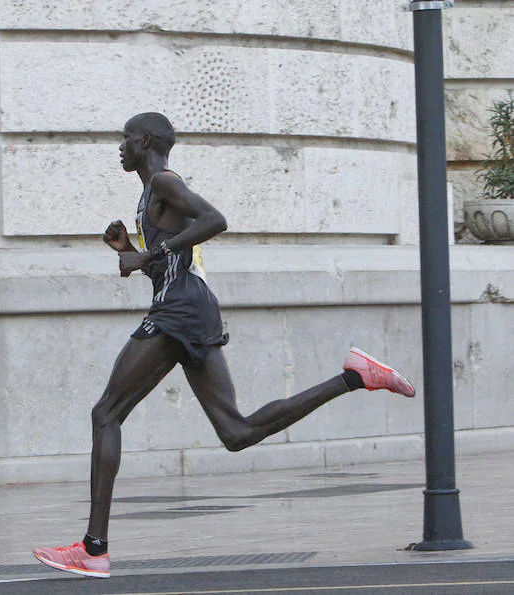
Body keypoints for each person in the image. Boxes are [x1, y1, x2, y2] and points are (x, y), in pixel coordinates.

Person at [32, 113, 415, 579]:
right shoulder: (150, 194)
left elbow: (215, 220)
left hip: (180, 311)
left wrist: (146, 253)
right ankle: (353, 376)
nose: (120, 147)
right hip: (189, 307)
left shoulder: (165, 183)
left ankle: (93, 548)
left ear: (145, 140)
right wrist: (127, 250)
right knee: (237, 433)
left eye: (125, 139)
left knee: (106, 414)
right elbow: (173, 262)